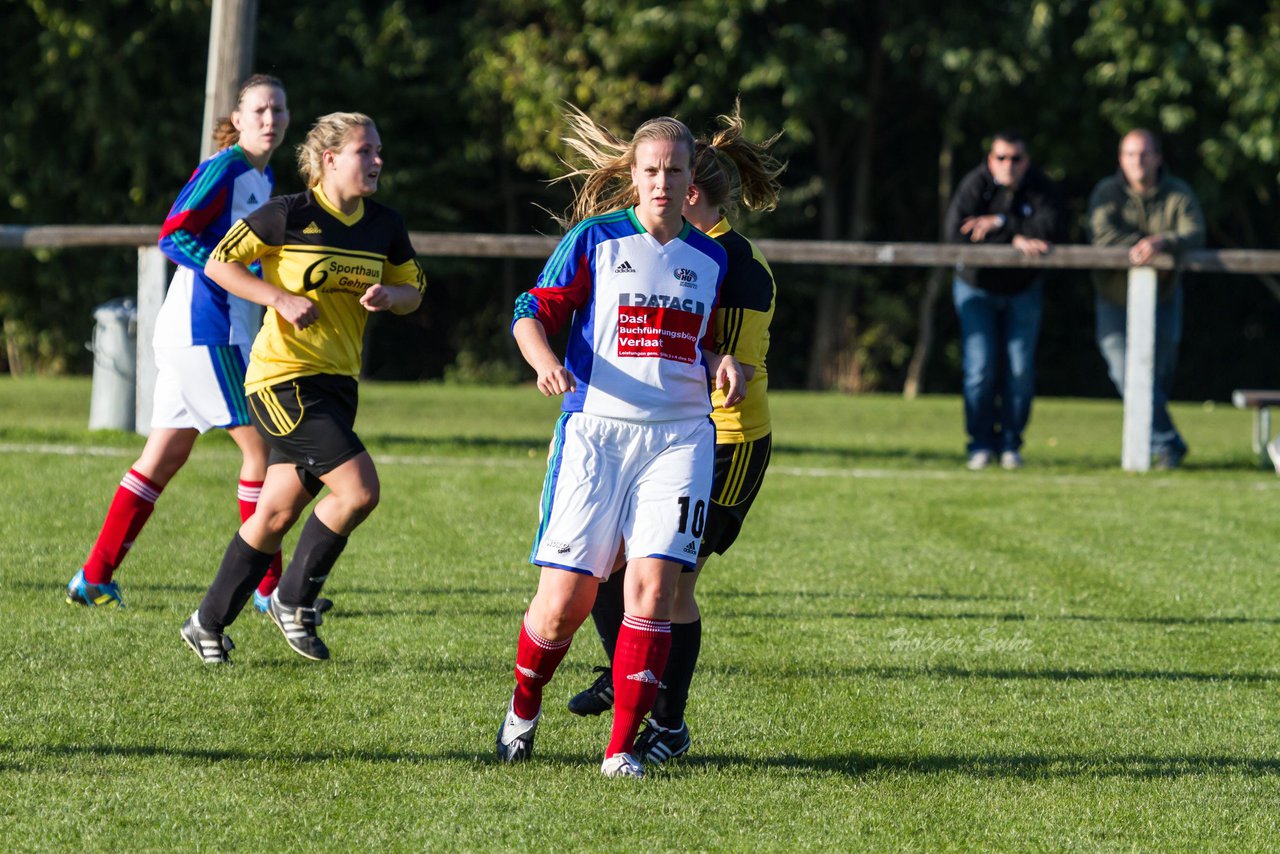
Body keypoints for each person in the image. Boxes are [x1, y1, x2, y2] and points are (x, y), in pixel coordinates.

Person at [494, 108, 746, 779]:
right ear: (633, 176)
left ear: (693, 179)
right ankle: (522, 712)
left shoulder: (712, 255)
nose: (663, 182)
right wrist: (544, 360)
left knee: (653, 589)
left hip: (681, 437)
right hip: (596, 435)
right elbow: (530, 311)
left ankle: (621, 750)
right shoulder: (594, 240)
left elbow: (709, 340)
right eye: (651, 171)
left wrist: (723, 363)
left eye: (675, 171)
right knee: (563, 607)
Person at [565, 106, 785, 766]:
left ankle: (667, 721)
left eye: (671, 177)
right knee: (610, 563)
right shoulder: (666, 251)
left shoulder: (734, 264)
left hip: (726, 443)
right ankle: (630, 671)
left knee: (669, 582)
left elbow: (735, 367)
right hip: (665, 433)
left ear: (690, 190)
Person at [179, 111, 426, 663]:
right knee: (359, 491)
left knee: (274, 516)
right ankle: (293, 599)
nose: (378, 160)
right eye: (367, 151)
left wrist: (391, 297)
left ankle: (206, 622)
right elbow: (220, 263)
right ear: (330, 159)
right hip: (281, 380)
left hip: (338, 384)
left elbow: (414, 288)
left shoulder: (384, 223)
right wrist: (279, 299)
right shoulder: (287, 214)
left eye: (379, 150)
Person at [66, 74, 291, 609]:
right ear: (237, 119)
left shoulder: (263, 176)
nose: (269, 120)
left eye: (278, 111)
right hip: (206, 332)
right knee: (265, 450)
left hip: (209, 332)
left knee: (161, 458)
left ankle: (93, 576)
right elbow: (174, 234)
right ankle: (270, 590)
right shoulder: (227, 167)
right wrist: (226, 270)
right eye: (259, 110)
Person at [944, 130, 1064, 471]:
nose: (1008, 165)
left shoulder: (1040, 185)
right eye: (1001, 158)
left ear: (1026, 161)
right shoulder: (974, 184)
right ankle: (979, 444)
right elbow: (956, 235)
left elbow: (1053, 226)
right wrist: (1016, 236)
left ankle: (1011, 444)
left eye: (1015, 159)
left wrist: (1000, 223)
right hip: (976, 288)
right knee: (979, 369)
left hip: (1023, 290)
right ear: (989, 159)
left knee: (1019, 370)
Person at [1088, 129, 1206, 470]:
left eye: (1143, 154)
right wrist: (1144, 244)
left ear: (1158, 157)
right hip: (1113, 297)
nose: (1137, 161)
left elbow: (1194, 232)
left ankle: (1161, 446)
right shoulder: (1106, 193)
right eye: (1129, 154)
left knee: (1159, 374)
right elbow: (1102, 235)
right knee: (1124, 370)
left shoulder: (1178, 193)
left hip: (1164, 297)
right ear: (1120, 159)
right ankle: (1168, 443)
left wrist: (1162, 242)